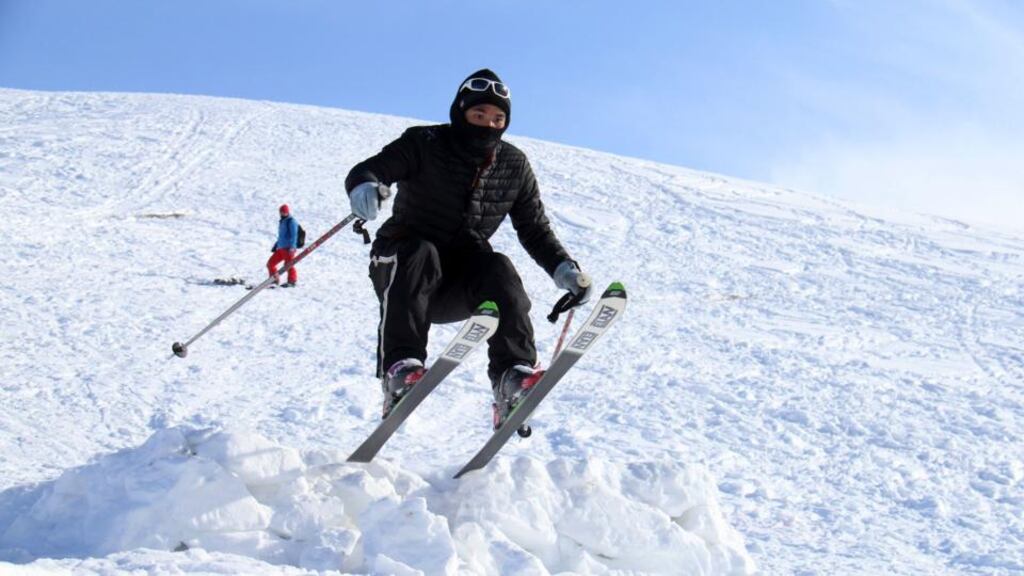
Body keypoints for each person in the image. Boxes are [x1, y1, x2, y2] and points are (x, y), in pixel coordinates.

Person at [345, 68, 592, 426]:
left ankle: (513, 378)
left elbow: (534, 228)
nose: (488, 125)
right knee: (419, 251)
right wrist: (364, 187)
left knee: (498, 267)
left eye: (497, 118)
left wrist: (563, 268)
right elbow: (371, 169)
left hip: (456, 281)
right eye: (479, 115)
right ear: (460, 113)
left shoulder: (513, 164)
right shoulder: (424, 142)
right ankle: (400, 369)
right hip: (401, 267)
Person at [267, 203, 299, 287]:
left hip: (288, 248)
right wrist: (276, 245)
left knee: (288, 265)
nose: (282, 213)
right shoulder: (282, 221)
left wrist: (292, 247)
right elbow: (282, 236)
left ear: (288, 212)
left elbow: (294, 235)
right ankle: (274, 280)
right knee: (270, 263)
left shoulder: (291, 221)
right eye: (281, 212)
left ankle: (292, 281)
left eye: (284, 212)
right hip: (281, 248)